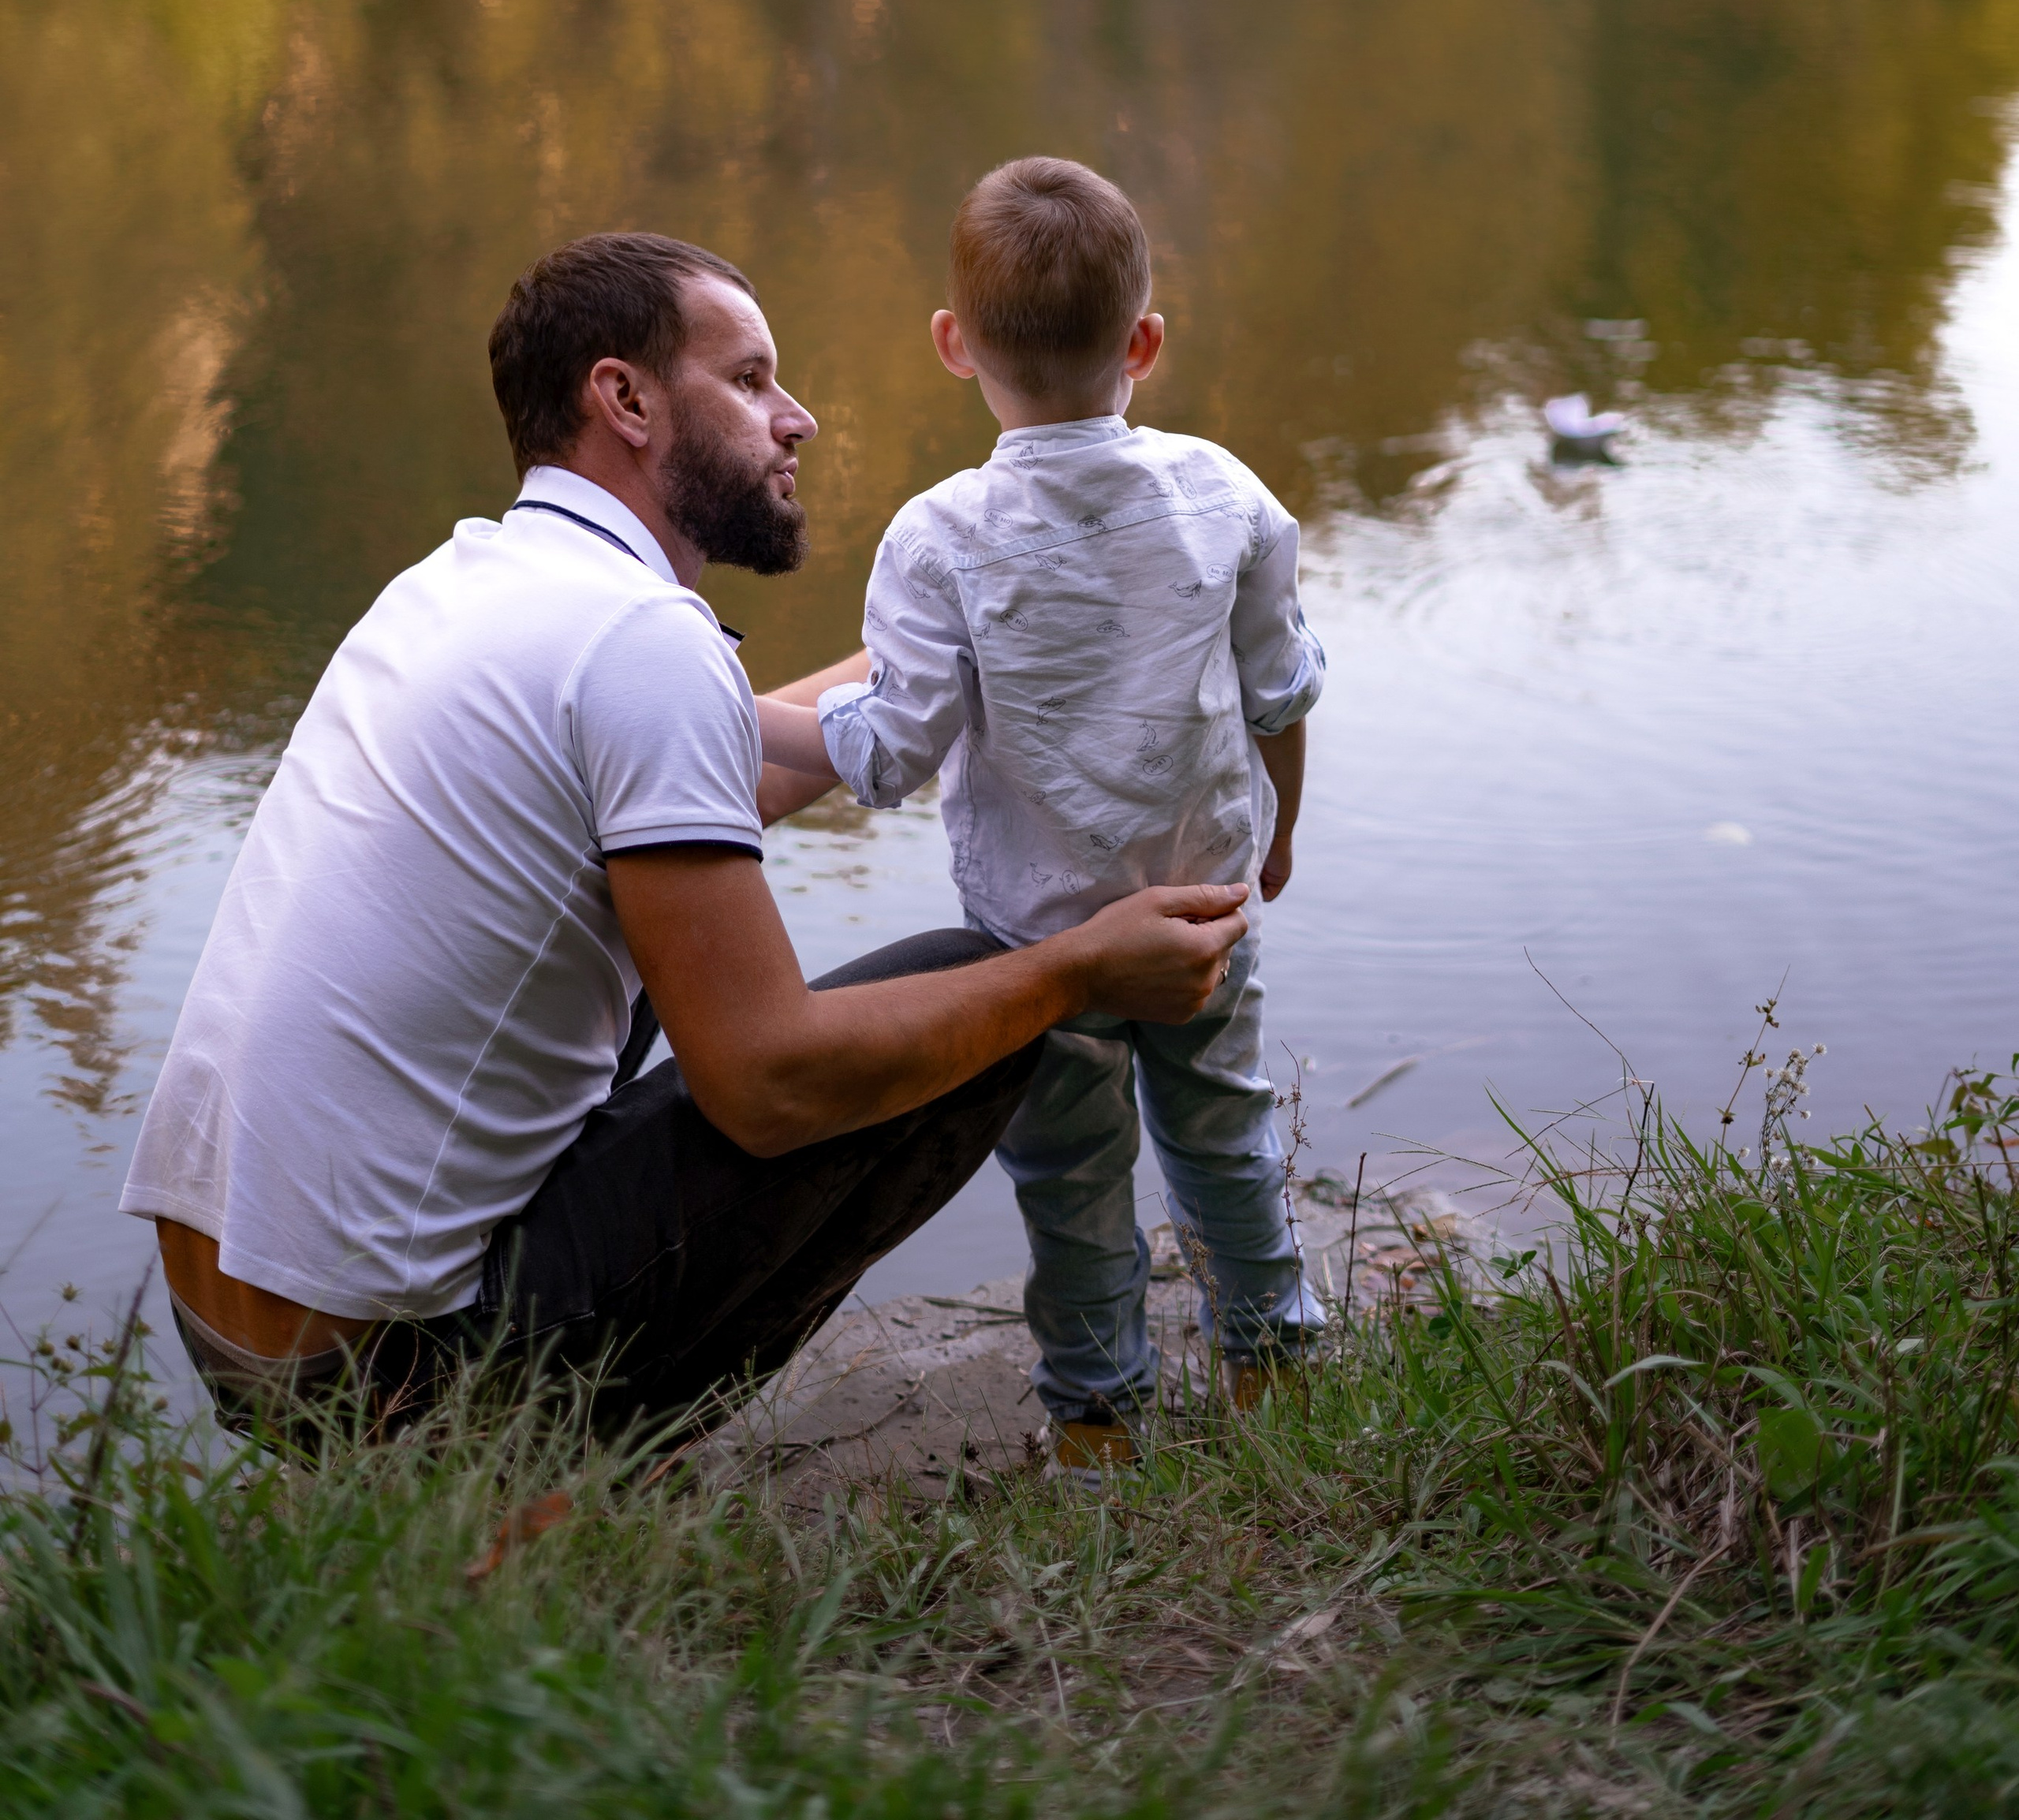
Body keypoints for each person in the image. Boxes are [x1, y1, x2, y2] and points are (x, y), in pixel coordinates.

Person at [119, 230, 1249, 1438]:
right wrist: (1075, 965)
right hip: (398, 1376)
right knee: (979, 991)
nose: (798, 418)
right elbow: (767, 1086)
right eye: (753, 380)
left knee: (673, 928)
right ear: (626, 399)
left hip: (248, 1338)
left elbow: (721, 775)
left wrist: (979, 640)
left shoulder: (471, 583)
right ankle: (568, 1464)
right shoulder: (643, 642)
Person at [754, 160, 1327, 1468]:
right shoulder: (1229, 496)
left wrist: (732, 715)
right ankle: (1277, 1373)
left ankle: (1100, 1419)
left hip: (1032, 946)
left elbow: (890, 756)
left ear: (953, 346)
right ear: (1146, 342)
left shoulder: (936, 538)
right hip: (1203, 910)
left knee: (1071, 1189)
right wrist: (1279, 837)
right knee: (1228, 1139)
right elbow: (1280, 698)